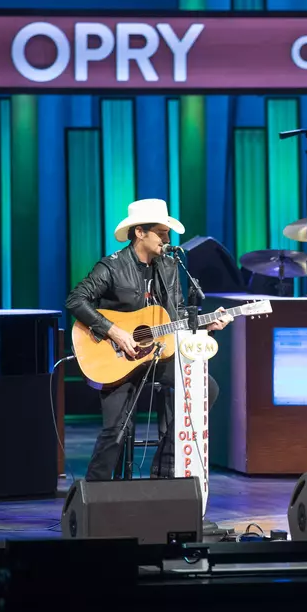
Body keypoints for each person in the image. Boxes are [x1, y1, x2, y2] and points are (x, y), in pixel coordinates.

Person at [66, 198, 233, 481]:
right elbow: (75, 300)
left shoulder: (169, 267)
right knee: (115, 430)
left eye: (168, 233)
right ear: (139, 232)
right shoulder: (112, 266)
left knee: (207, 388)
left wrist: (208, 325)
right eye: (161, 232)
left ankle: (163, 473)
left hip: (159, 355)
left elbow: (177, 316)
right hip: (117, 357)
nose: (167, 239)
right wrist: (114, 331)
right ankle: (90, 497)